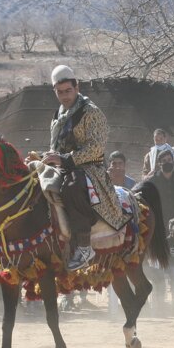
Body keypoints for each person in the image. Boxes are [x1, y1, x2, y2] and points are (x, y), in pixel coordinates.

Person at [44, 64, 130, 270]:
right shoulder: (58, 115)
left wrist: (64, 159)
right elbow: (56, 147)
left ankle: (84, 245)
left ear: (77, 87)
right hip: (64, 166)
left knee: (71, 187)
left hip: (89, 169)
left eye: (68, 91)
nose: (64, 96)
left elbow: (96, 148)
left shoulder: (91, 113)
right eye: (60, 92)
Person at [146, 149, 174, 225]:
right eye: (164, 161)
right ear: (159, 164)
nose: (167, 162)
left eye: (169, 160)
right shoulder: (152, 181)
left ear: (173, 161)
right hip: (159, 221)